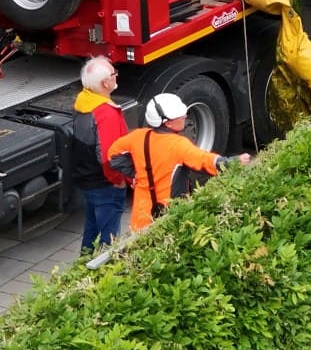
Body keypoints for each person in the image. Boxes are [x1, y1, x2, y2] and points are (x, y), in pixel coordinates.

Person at [107, 93, 252, 232]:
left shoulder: (138, 136)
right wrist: (233, 162)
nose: (185, 115)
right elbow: (204, 160)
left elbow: (113, 154)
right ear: (168, 123)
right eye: (180, 115)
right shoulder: (179, 145)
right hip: (170, 214)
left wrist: (135, 174)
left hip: (142, 216)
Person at [71, 57, 131, 252]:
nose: (116, 76)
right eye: (114, 74)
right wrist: (118, 179)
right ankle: (105, 275)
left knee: (92, 228)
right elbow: (108, 154)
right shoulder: (106, 113)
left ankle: (83, 267)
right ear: (105, 83)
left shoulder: (83, 101)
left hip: (88, 180)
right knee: (109, 238)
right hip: (105, 184)